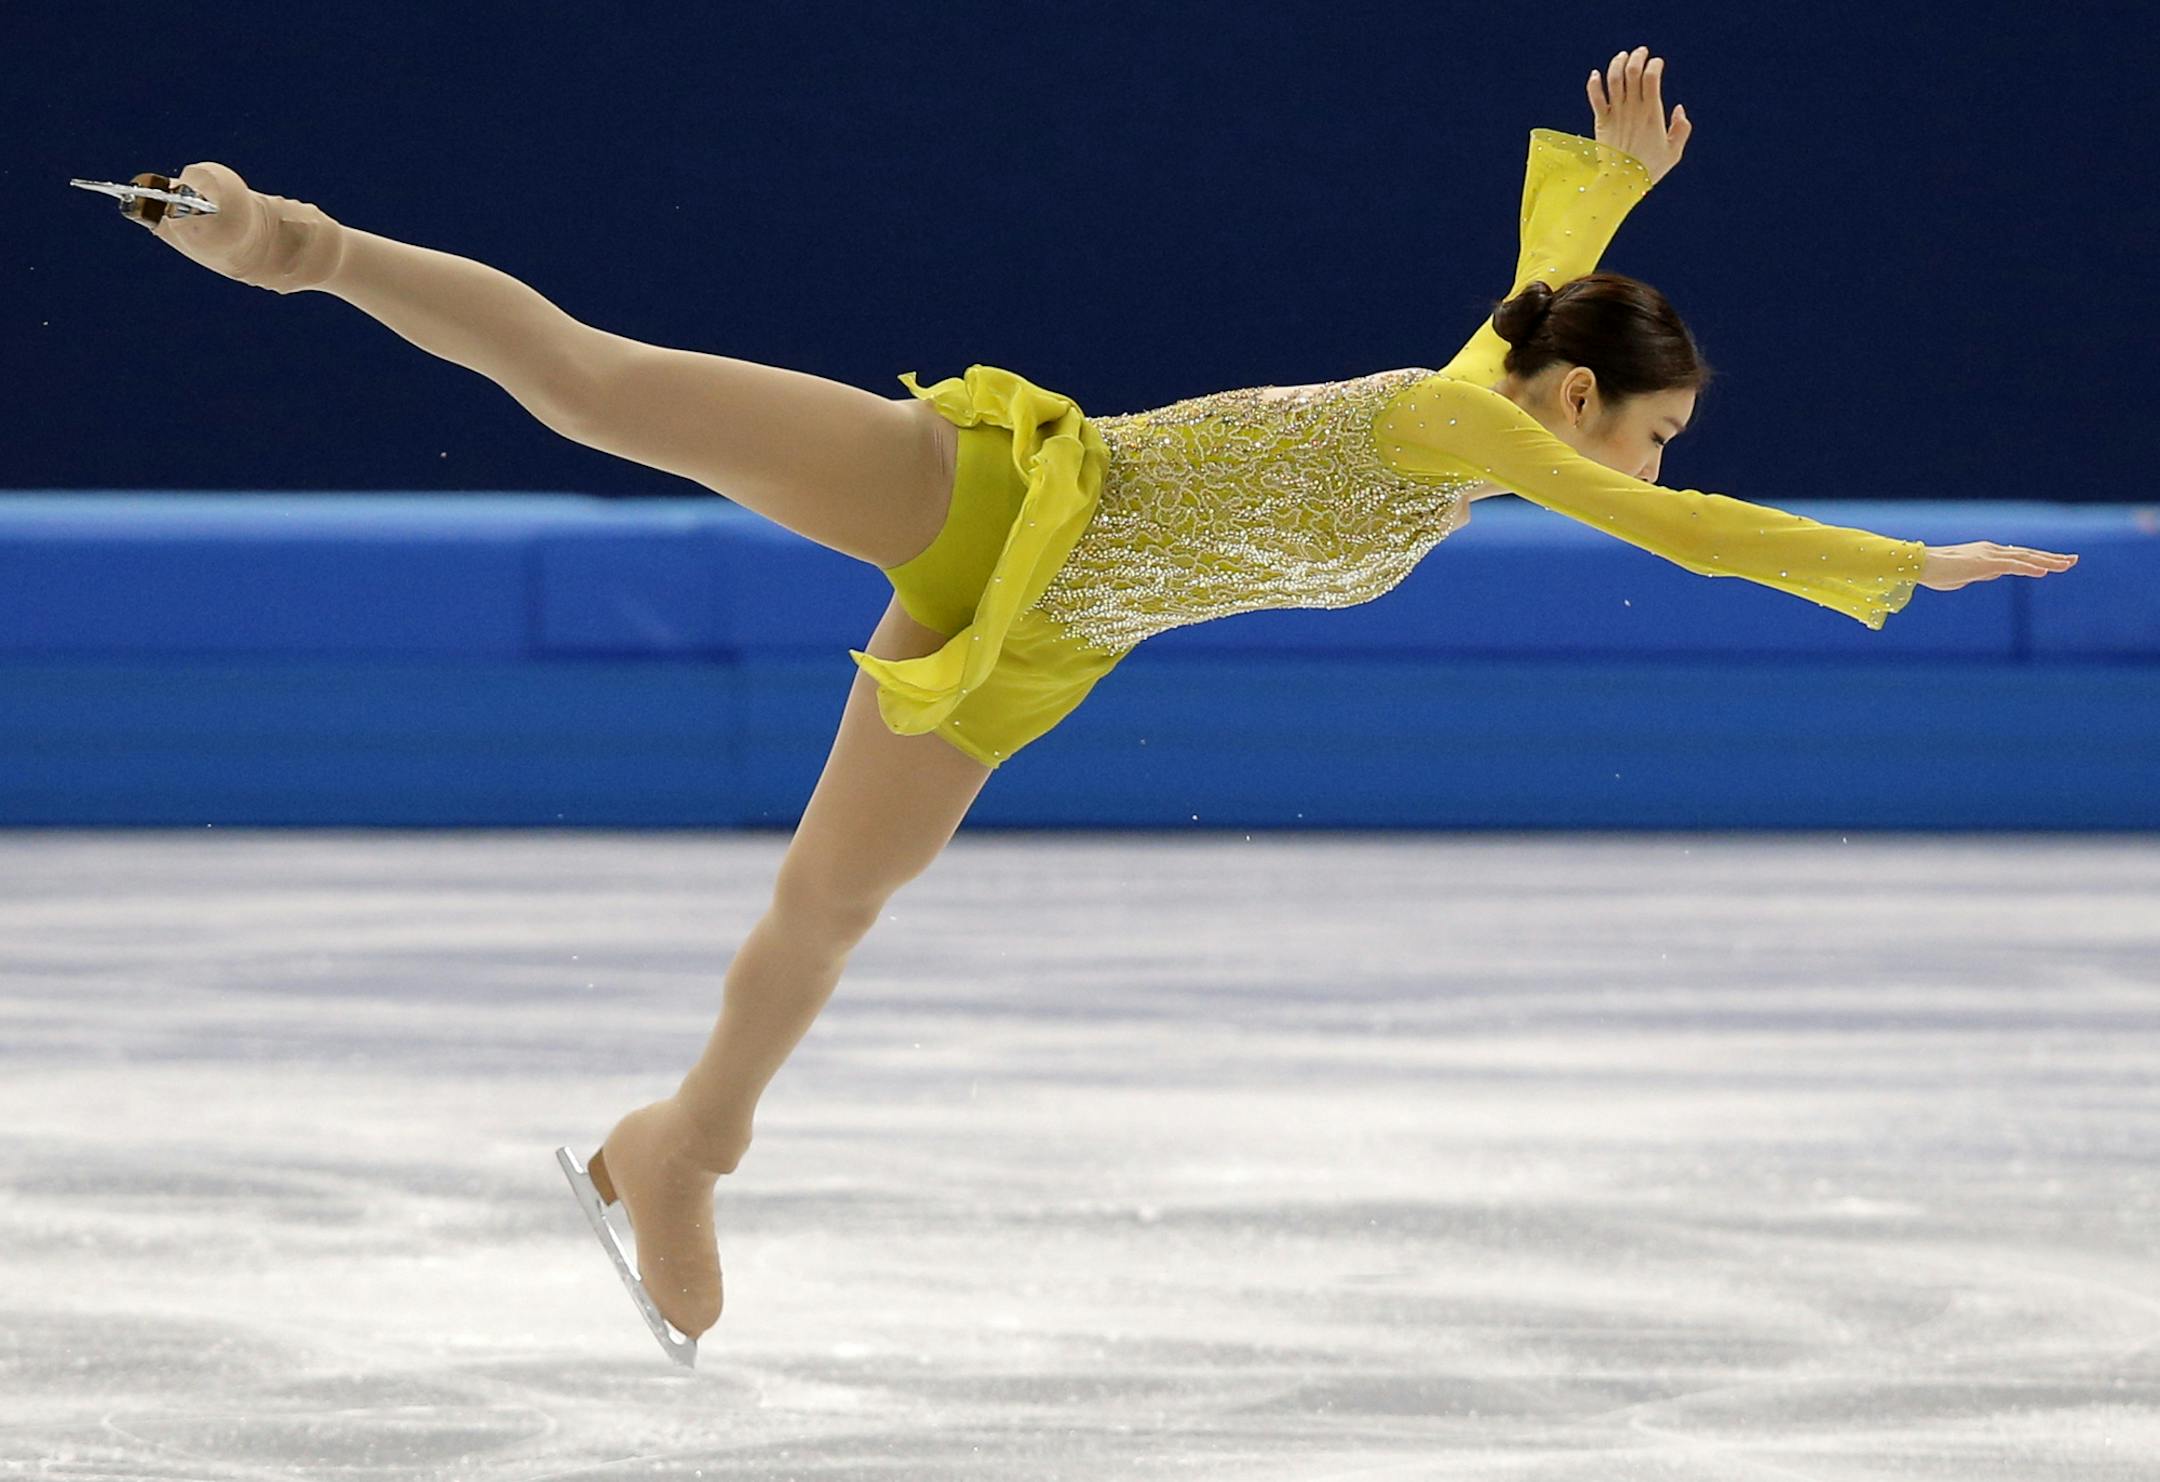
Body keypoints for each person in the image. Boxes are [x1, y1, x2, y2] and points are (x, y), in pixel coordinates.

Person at [120, 44, 2077, 1351]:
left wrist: (1617, 187)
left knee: (830, 905)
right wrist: (1897, 562)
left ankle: (676, 1148)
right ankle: (295, 242)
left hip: (1044, 639)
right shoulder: (1455, 418)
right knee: (612, 385)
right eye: (1646, 434)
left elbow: (1550, 270)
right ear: (1583, 409)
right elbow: (1680, 530)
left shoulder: (1505, 385)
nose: (1639, 465)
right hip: (1005, 493)